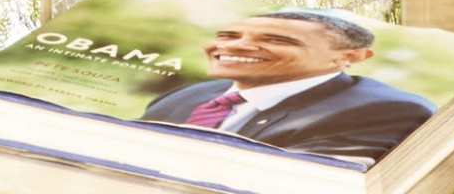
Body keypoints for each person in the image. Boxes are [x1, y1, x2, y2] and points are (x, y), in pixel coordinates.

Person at [140, 10, 432, 159]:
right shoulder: (189, 96)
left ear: (348, 57)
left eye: (276, 40)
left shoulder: (386, 111)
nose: (237, 47)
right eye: (228, 35)